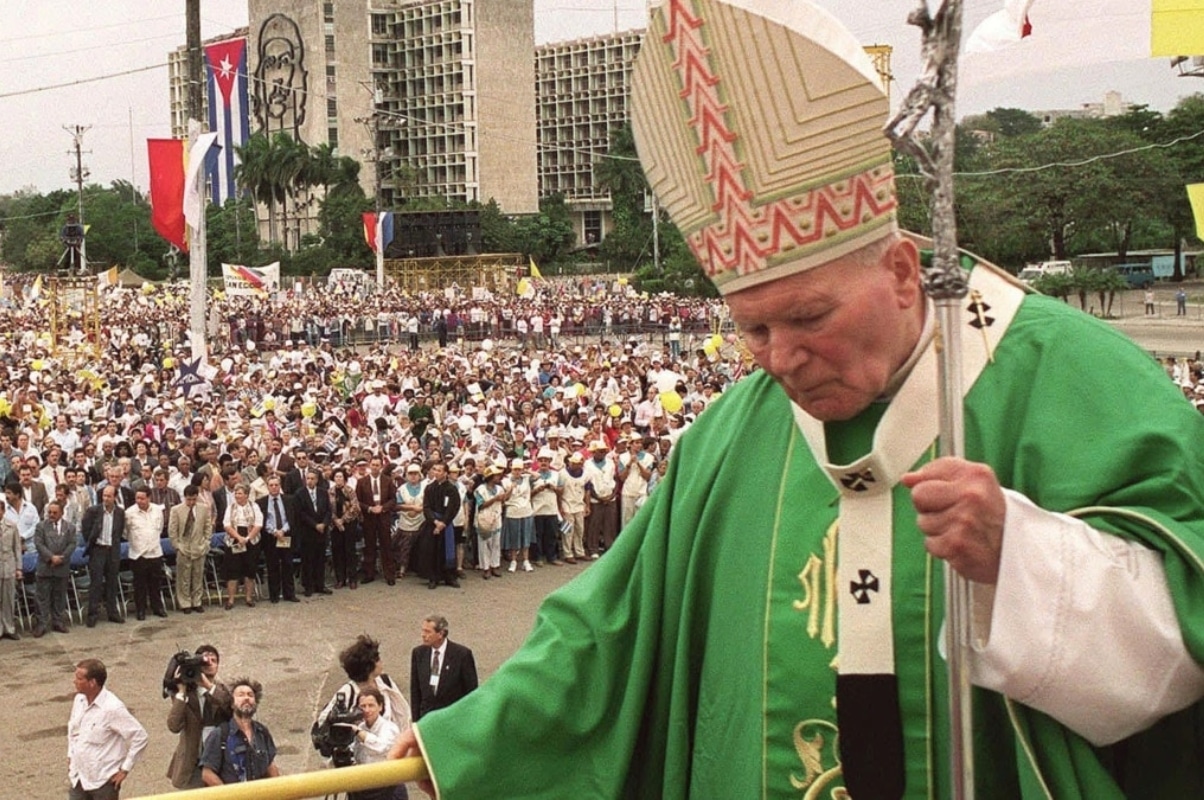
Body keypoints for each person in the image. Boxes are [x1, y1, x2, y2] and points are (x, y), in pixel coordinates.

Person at [386, 2, 1204, 798]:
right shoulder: (730, 438)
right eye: (753, 328)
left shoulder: (1070, 380)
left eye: (809, 317)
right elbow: (608, 631)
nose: (781, 359)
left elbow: (1183, 630)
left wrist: (1023, 562)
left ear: (899, 272)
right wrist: (464, 748)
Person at [67, 658, 149, 800]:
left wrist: (124, 769)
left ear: (92, 683)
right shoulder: (79, 700)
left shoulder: (112, 708)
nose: (74, 681)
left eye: (79, 678)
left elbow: (140, 737)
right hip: (79, 778)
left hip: (103, 782)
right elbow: (72, 731)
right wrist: (71, 755)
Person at [166, 644, 232, 789]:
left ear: (218, 667)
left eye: (213, 661)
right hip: (192, 765)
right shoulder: (185, 695)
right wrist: (181, 691)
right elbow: (174, 726)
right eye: (204, 661)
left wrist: (208, 686)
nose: (209, 664)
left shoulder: (224, 691)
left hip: (219, 763)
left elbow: (231, 710)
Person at [199, 677, 280, 785]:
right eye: (241, 695)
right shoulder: (220, 734)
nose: (246, 698)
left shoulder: (262, 732)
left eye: (250, 695)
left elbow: (270, 765)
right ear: (232, 704)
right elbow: (207, 773)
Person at [409, 615, 477, 722]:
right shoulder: (419, 654)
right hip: (427, 720)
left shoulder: (462, 655)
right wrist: (416, 723)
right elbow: (415, 691)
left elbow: (471, 692)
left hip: (452, 719)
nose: (423, 635)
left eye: (428, 632)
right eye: (423, 631)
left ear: (440, 634)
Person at [347, 687, 408, 800]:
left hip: (388, 787)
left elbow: (380, 746)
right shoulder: (360, 728)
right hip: (365, 787)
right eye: (363, 706)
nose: (367, 710)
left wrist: (358, 732)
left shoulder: (389, 727)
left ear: (380, 706)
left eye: (371, 705)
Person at [79, 486, 125, 626]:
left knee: (112, 582)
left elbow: (119, 531)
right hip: (98, 550)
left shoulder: (120, 512)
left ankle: (112, 612)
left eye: (109, 496)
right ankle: (92, 614)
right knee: (96, 583)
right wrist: (92, 544)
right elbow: (86, 528)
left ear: (115, 497)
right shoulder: (94, 511)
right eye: (104, 496)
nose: (105, 499)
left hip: (112, 550)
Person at [414, 462, 461, 589]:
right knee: (432, 550)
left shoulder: (452, 489)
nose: (436, 472)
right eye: (435, 470)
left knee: (447, 550)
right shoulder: (429, 488)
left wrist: (443, 523)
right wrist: (435, 522)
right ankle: (433, 577)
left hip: (446, 523)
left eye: (439, 470)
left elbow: (454, 507)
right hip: (432, 523)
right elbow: (426, 507)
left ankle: (449, 577)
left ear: (445, 473)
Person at [32, 500, 75, 636]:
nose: (51, 515)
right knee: (42, 597)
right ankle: (42, 624)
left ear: (62, 513)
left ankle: (58, 622)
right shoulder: (41, 526)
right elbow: (39, 544)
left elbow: (72, 544)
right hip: (45, 567)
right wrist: (51, 557)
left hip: (61, 567)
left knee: (59, 596)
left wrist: (61, 558)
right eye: (49, 512)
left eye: (55, 513)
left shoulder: (70, 527)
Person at [125, 487, 167, 620]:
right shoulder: (129, 513)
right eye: (137, 498)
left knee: (156, 583)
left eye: (142, 498)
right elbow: (125, 533)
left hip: (155, 552)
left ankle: (157, 607)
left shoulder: (157, 510)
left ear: (149, 498)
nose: (139, 501)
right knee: (139, 585)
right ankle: (141, 610)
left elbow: (159, 528)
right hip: (138, 554)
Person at [257, 476, 299, 603]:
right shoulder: (261, 502)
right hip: (270, 538)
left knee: (288, 564)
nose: (274, 487)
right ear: (267, 487)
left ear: (280, 486)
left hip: (285, 535)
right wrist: (274, 531)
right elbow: (263, 521)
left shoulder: (289, 500)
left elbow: (291, 518)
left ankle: (289, 593)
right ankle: (274, 594)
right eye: (271, 485)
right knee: (272, 566)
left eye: (276, 485)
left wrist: (283, 530)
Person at [356, 456, 397, 584]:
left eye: (377, 465)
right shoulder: (362, 482)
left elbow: (393, 500)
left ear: (381, 466)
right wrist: (369, 508)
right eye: (373, 465)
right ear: (370, 465)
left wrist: (383, 508)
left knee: (386, 546)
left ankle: (389, 575)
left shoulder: (388, 481)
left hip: (383, 517)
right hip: (369, 518)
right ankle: (369, 574)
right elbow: (358, 501)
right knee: (369, 546)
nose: (375, 467)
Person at [221, 484, 262, 609]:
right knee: (233, 570)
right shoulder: (230, 507)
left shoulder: (254, 506)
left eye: (240, 493)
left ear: (246, 495)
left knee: (250, 570)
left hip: (251, 539)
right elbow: (226, 525)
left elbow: (258, 524)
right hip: (234, 538)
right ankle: (231, 599)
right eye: (236, 493)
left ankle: (249, 598)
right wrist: (239, 538)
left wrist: (248, 538)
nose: (237, 496)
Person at [294, 469, 332, 596]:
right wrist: (315, 525)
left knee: (320, 559)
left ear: (316, 480)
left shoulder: (322, 492)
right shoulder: (300, 493)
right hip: (308, 531)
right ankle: (308, 586)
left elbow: (328, 510)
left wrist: (324, 524)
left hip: (321, 531)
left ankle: (320, 585)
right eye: (308, 478)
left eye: (312, 478)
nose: (310, 481)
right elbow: (301, 513)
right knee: (308, 560)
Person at [0, 499, 20, 640]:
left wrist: (19, 568)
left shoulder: (11, 526)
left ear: (3, 511)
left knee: (8, 598)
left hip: (8, 565)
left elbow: (17, 548)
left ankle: (9, 627)